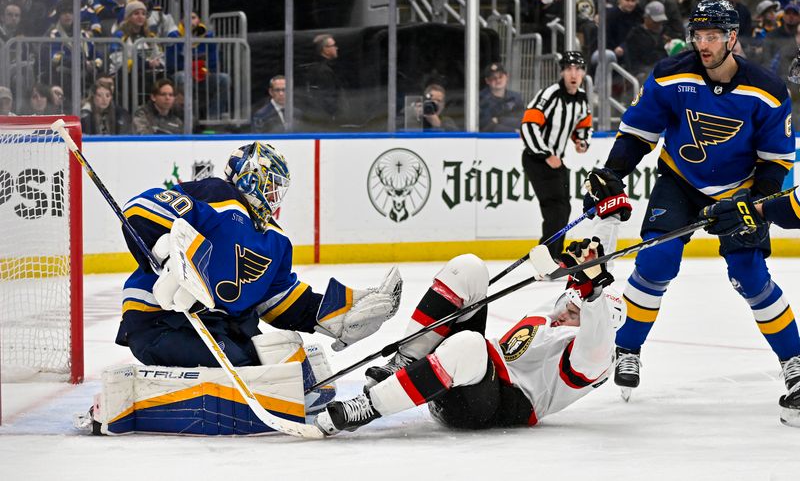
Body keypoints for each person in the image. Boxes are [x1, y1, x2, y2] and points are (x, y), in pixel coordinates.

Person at [585, 0, 800, 420]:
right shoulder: (671, 75)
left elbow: (776, 163)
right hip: (680, 182)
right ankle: (627, 347)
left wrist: (750, 201)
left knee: (750, 276)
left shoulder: (767, 90)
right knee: (657, 260)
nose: (703, 45)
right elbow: (638, 133)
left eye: (712, 37)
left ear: (732, 38)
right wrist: (613, 172)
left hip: (742, 191)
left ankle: (795, 363)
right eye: (698, 36)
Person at [115, 141, 402, 376]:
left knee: (291, 367)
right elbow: (140, 209)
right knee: (245, 371)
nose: (275, 196)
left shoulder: (274, 240)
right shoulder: (218, 194)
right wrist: (168, 257)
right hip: (161, 323)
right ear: (252, 176)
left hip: (221, 329)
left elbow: (283, 303)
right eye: (272, 185)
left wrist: (339, 313)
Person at [313, 235, 625, 435]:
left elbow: (597, 340)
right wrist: (590, 241)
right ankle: (405, 363)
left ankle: (368, 406)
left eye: (575, 315)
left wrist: (595, 293)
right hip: (473, 372)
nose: (563, 313)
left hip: (489, 408)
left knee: (471, 345)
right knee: (469, 268)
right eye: (569, 305)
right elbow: (585, 270)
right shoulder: (563, 312)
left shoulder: (593, 358)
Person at [520, 51, 592, 259]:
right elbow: (529, 125)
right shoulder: (550, 94)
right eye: (569, 68)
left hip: (556, 161)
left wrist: (581, 141)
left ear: (583, 73)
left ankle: (553, 255)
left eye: (578, 69)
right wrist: (545, 154)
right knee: (555, 208)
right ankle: (548, 256)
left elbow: (583, 124)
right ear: (562, 72)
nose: (573, 73)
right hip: (537, 159)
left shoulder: (581, 98)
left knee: (564, 208)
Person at [302, 33, 349, 128]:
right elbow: (327, 98)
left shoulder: (324, 68)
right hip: (328, 120)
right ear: (325, 49)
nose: (336, 48)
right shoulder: (323, 71)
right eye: (333, 45)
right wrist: (336, 115)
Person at [624, 1, 669, 80]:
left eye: (660, 21)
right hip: (643, 70)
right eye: (655, 21)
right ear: (646, 18)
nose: (658, 23)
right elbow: (632, 62)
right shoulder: (635, 35)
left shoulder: (666, 32)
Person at [478, 62, 524, 132]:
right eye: (493, 78)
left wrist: (499, 120)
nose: (498, 80)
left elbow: (521, 121)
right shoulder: (481, 99)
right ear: (487, 81)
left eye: (500, 76)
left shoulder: (516, 97)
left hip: (514, 140)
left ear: (507, 77)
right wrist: (514, 131)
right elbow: (487, 126)